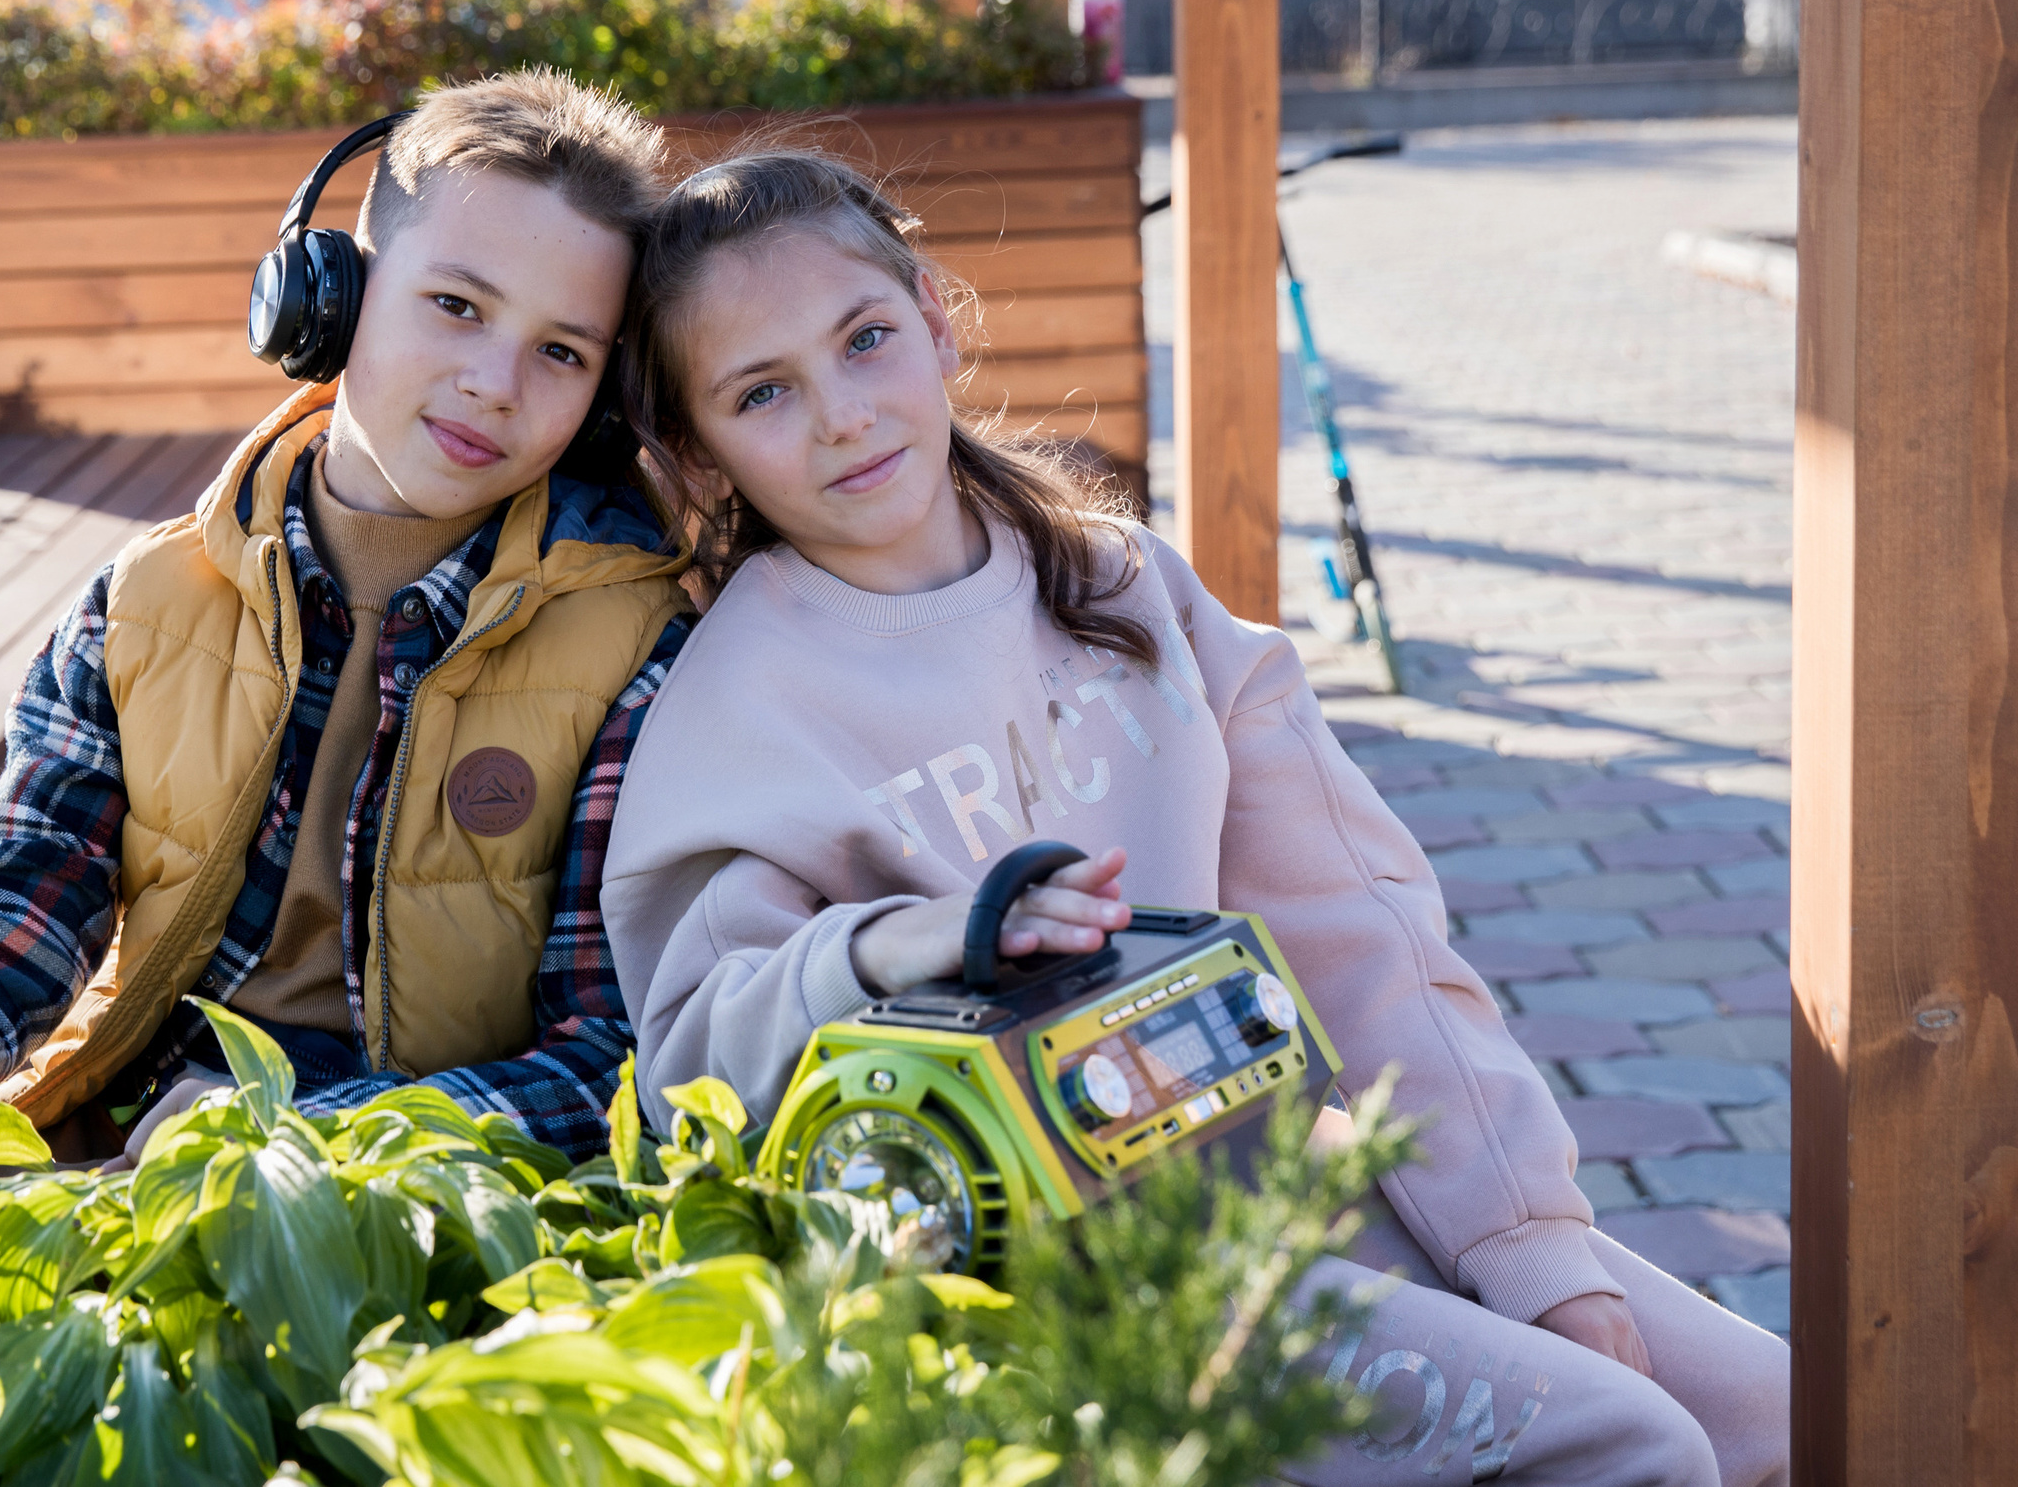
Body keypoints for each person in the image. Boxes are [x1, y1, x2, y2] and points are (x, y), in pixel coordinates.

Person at [597, 150, 1787, 1487]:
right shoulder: (735, 709)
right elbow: (692, 1059)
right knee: (1633, 1443)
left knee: (1779, 1413)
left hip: (1286, 1175)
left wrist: (1536, 1251)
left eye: (865, 339)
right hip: (1064, 1279)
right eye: (764, 391)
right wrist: (890, 947)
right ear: (699, 448)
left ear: (934, 316)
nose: (840, 416)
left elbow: (1370, 944)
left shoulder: (1124, 584)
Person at [0, 69, 694, 1164]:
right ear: (332, 304)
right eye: (455, 306)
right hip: (133, 1134)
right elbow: (1, 928)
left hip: (427, 1181)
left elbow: (614, 1055)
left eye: (562, 351)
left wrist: (306, 1135)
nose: (496, 383)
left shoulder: (634, 650)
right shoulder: (143, 607)